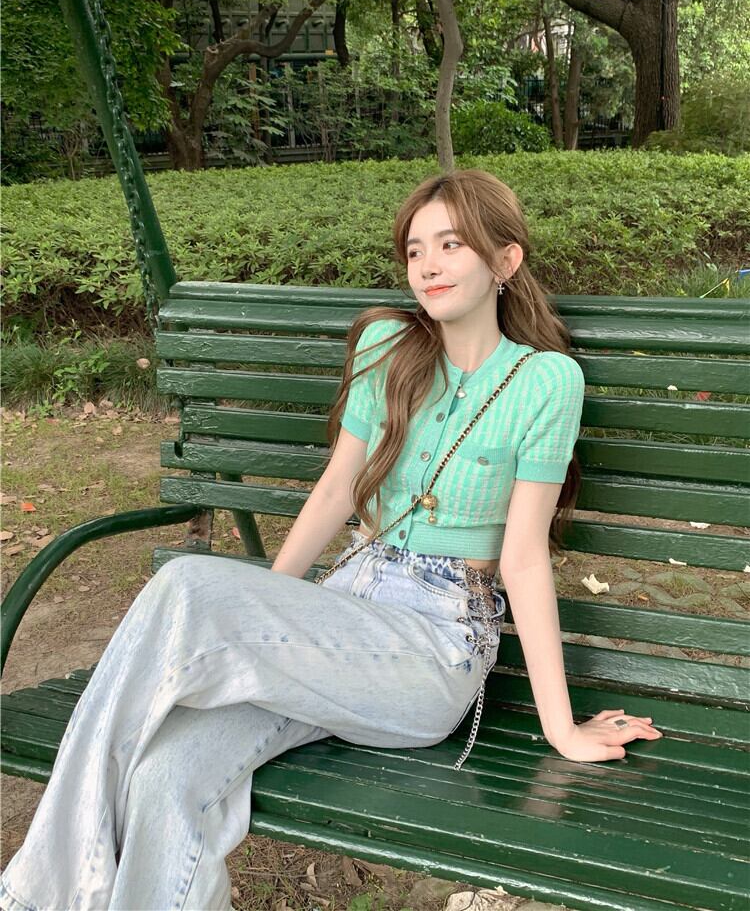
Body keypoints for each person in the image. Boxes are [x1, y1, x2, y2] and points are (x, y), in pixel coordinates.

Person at [0, 168, 662, 911]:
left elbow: (524, 557)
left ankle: (39, 889)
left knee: (186, 584)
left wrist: (561, 728)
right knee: (166, 773)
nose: (429, 265)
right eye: (415, 250)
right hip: (339, 613)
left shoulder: (546, 381)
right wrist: (263, 613)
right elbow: (338, 489)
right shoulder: (389, 347)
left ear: (506, 260)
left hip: (432, 649)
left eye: (452, 244)